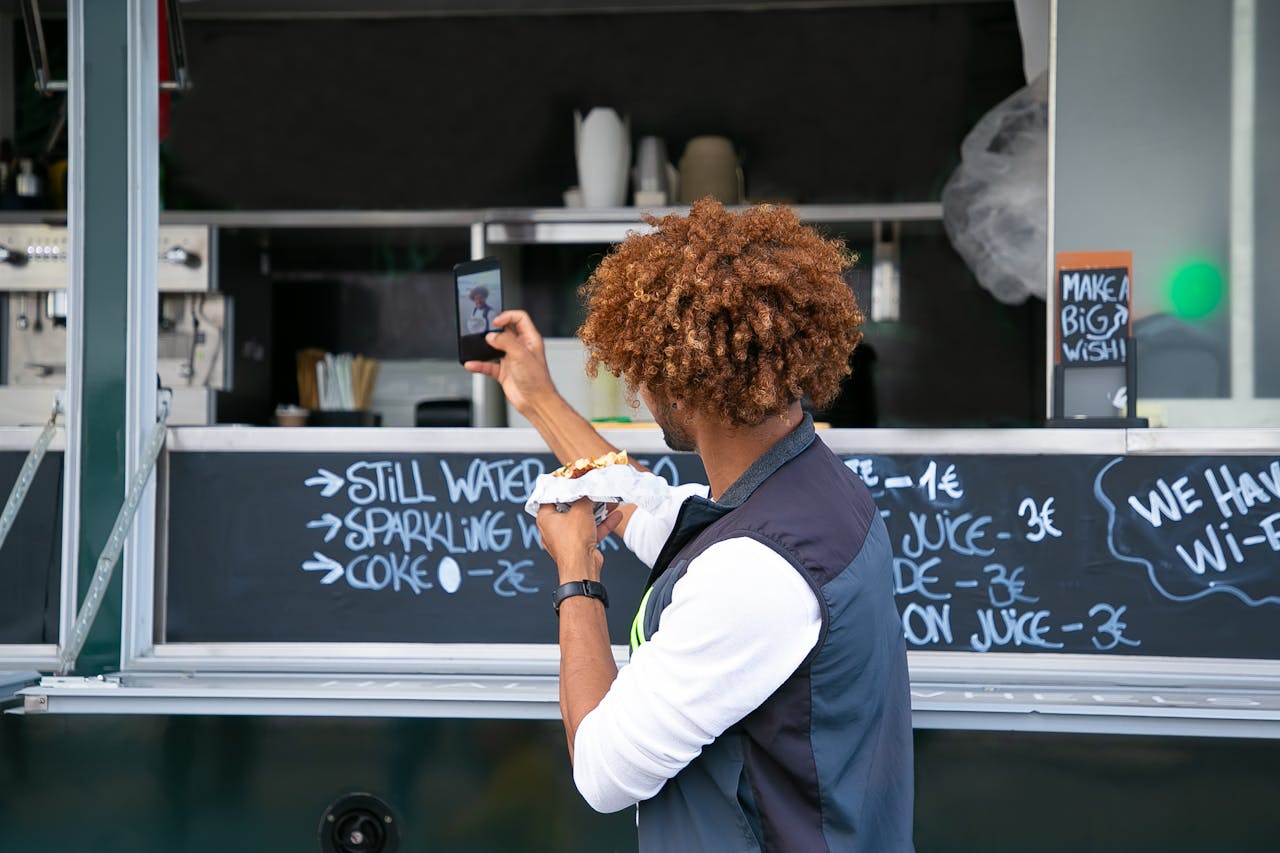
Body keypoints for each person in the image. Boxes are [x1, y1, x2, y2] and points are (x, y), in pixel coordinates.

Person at [464, 199, 914, 852]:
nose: (639, 385)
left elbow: (601, 770)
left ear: (679, 387)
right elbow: (646, 504)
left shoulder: (753, 574)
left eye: (644, 370)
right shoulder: (813, 486)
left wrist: (577, 572)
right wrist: (537, 395)